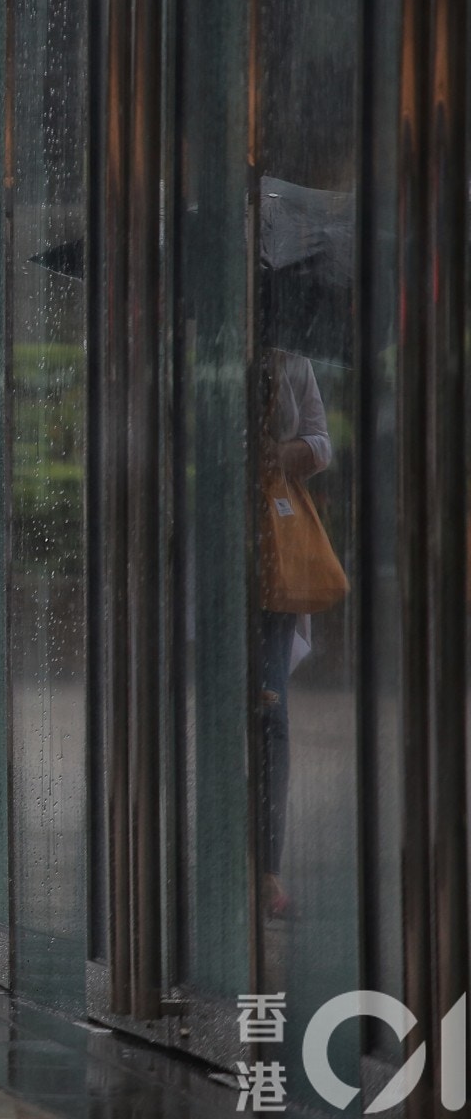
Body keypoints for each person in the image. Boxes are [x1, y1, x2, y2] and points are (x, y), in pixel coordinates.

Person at [257, 348, 332, 921]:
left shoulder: (292, 362)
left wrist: (286, 451)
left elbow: (321, 443)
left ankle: (265, 865)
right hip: (211, 546)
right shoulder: (191, 340)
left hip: (270, 556)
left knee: (269, 713)